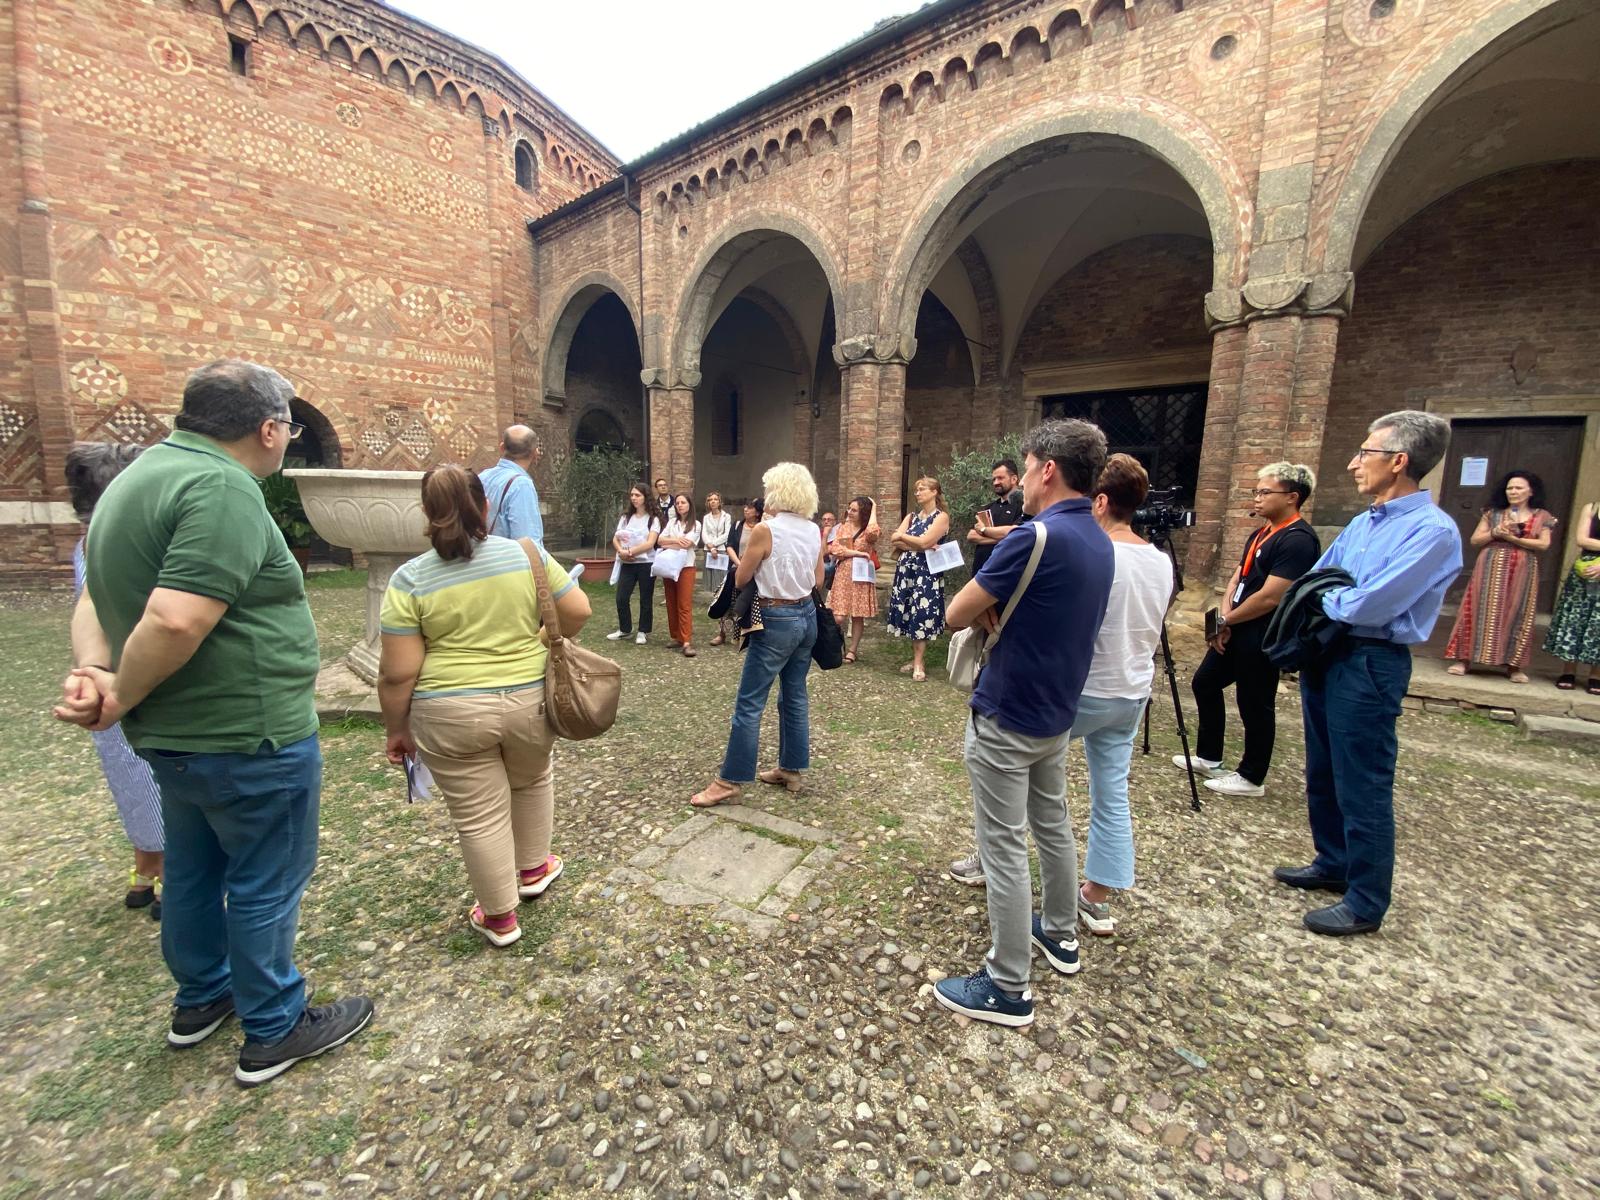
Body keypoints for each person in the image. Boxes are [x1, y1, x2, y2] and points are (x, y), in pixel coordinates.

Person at [53, 359, 372, 1087]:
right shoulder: (221, 486)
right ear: (268, 429)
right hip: (247, 732)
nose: (288, 439)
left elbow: (95, 596)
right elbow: (173, 617)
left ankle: (202, 995)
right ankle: (274, 1026)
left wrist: (97, 675)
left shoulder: (137, 477)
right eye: (289, 428)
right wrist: (121, 690)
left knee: (195, 870)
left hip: (178, 739)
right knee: (268, 874)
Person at [933, 419, 1114, 1028]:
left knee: (1004, 844)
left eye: (1029, 464)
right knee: (1054, 822)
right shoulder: (1100, 537)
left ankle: (1008, 985)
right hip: (1057, 708)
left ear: (1048, 470)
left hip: (1009, 709)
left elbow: (958, 611)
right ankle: (1059, 933)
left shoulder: (1034, 536)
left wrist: (987, 610)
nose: (1026, 478)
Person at [945, 455, 1172, 938]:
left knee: (1013, 786)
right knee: (1107, 794)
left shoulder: (1097, 552)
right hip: (1132, 690)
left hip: (1077, 689)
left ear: (1102, 500)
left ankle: (998, 897)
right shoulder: (1158, 560)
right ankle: (1093, 899)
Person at [377, 465, 591, 949]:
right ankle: (534, 869)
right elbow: (577, 611)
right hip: (529, 701)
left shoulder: (409, 580)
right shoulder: (528, 556)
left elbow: (398, 673)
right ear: (486, 507)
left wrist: (396, 728)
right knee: (533, 778)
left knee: (478, 815)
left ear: (427, 515)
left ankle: (499, 918)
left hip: (450, 713)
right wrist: (537, 640)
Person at [1275, 410, 1462, 937]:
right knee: (1324, 768)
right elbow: (1315, 581)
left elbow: (1370, 606)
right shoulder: (1363, 522)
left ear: (1398, 461)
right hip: (1329, 652)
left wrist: (1331, 597)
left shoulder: (1432, 532)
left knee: (1364, 781)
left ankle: (1365, 900)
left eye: (1366, 453)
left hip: (1370, 660)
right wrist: (1332, 596)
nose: (1355, 463)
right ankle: (1333, 861)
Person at [1175, 463, 1321, 798]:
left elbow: (1271, 596)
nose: (1257, 498)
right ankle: (1209, 756)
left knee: (1255, 702)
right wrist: (1224, 618)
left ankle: (1252, 776)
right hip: (1237, 625)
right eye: (1256, 491)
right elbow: (1238, 578)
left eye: (1265, 492)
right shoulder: (1261, 533)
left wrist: (1230, 620)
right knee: (1205, 682)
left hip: (1264, 632)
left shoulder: (1298, 541)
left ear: (1292, 497)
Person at [64, 442, 165, 920]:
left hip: (101, 677)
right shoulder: (124, 540)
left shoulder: (85, 542)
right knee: (154, 776)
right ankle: (170, 878)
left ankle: (144, 871)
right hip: (135, 678)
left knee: (130, 778)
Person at [690, 465, 825, 809]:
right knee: (794, 696)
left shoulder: (766, 529)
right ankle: (791, 769)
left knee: (750, 701)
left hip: (775, 617)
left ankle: (729, 780)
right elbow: (819, 581)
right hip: (806, 614)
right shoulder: (813, 530)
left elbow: (741, 577)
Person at [1443, 470, 1554, 684]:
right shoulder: (1492, 513)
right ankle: (1464, 659)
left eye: (1519, 488)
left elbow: (1543, 544)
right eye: (1510, 488)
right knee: (1477, 608)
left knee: (1519, 612)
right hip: (1491, 565)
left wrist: (1513, 538)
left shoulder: (1542, 516)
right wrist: (1496, 533)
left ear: (1531, 491)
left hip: (1524, 569)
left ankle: (1514, 666)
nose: (1513, 492)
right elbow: (1476, 540)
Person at [887, 477, 951, 681]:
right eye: (916, 490)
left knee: (922, 614)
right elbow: (893, 538)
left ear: (934, 492)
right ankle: (916, 659)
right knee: (908, 612)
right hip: (906, 571)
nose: (918, 493)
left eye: (922, 489)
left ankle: (918, 662)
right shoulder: (911, 516)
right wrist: (917, 543)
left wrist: (906, 539)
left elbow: (923, 542)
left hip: (926, 572)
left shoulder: (941, 517)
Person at [1544, 501, 1600, 693]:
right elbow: (1582, 539)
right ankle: (1569, 670)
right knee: (1575, 619)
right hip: (1585, 571)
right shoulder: (1592, 508)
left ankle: (1596, 674)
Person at [826, 495, 879, 664]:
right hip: (843, 574)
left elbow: (873, 533)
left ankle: (852, 650)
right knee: (838, 616)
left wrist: (875, 507)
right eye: (849, 508)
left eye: (854, 510)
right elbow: (835, 550)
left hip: (861, 575)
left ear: (864, 512)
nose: (849, 512)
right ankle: (836, 645)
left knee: (857, 615)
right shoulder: (843, 527)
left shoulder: (868, 530)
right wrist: (858, 553)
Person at [606, 484, 659, 645]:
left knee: (645, 598)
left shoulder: (653, 519)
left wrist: (631, 552)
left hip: (646, 563)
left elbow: (650, 543)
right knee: (621, 596)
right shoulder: (626, 517)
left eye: (637, 495)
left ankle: (643, 630)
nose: (634, 498)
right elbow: (616, 538)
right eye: (632, 495)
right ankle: (625, 629)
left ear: (645, 497)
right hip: (627, 563)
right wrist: (621, 551)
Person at [477, 425, 544, 543]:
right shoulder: (522, 485)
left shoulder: (481, 477)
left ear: (502, 447)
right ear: (535, 453)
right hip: (506, 559)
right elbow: (528, 543)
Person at [713, 497, 763, 647]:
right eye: (745, 507)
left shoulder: (763, 528)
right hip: (736, 569)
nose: (745, 509)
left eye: (750, 507)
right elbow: (729, 546)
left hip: (756, 572)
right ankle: (721, 634)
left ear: (758, 512)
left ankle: (745, 636)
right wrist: (740, 564)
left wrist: (750, 565)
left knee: (749, 604)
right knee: (726, 599)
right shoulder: (737, 525)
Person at [659, 493, 702, 657]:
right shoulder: (672, 522)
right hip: (670, 566)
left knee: (684, 604)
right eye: (677, 503)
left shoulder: (696, 524)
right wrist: (677, 540)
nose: (680, 505)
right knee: (671, 602)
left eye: (683, 502)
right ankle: (676, 636)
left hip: (686, 567)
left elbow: (688, 544)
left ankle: (686, 641)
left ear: (689, 505)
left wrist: (670, 541)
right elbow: (659, 541)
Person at [968, 459, 1023, 574]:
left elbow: (1016, 534)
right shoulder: (989, 508)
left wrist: (984, 530)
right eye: (994, 479)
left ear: (1014, 479)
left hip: (1005, 572)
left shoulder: (1024, 506)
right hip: (980, 572)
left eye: (1000, 478)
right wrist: (1002, 537)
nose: (995, 482)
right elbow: (972, 536)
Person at [702, 492, 732, 598]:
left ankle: (721, 597)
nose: (713, 501)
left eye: (715, 499)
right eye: (710, 500)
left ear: (719, 502)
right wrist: (710, 546)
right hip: (708, 549)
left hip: (721, 548)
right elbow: (704, 533)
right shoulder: (706, 517)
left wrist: (714, 545)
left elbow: (727, 533)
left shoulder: (726, 516)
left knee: (720, 574)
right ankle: (711, 598)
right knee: (710, 575)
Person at [820, 510, 838, 592]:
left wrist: (826, 535)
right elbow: (823, 552)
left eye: (829, 519)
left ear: (834, 522)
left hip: (833, 565)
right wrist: (825, 535)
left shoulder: (839, 533)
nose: (826, 521)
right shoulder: (817, 533)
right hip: (820, 563)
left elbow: (825, 552)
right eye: (824, 519)